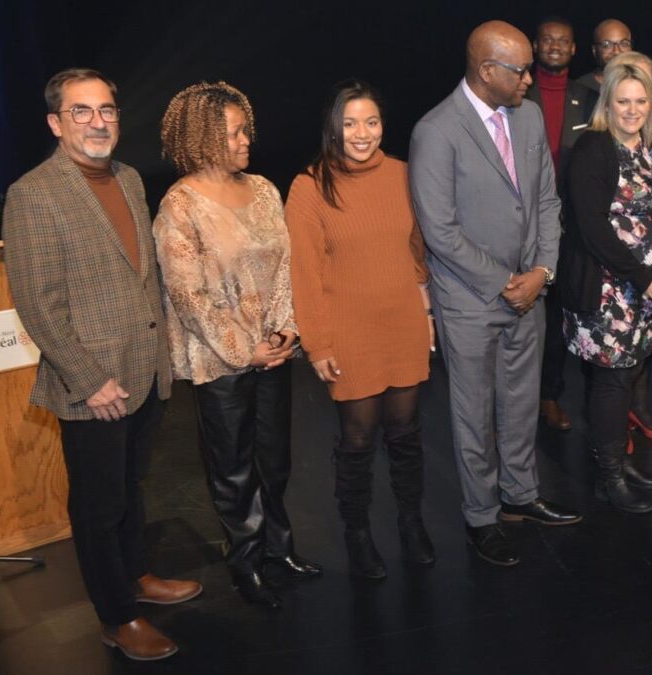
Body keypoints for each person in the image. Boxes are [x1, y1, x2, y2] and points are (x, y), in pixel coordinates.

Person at [4, 68, 201, 662]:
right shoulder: (34, 194)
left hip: (143, 370)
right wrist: (90, 381)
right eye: (82, 111)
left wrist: (163, 355)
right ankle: (117, 618)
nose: (97, 122)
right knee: (98, 505)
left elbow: (142, 277)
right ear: (55, 123)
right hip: (93, 383)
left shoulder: (130, 178)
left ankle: (135, 575)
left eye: (106, 110)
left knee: (130, 489)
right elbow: (37, 304)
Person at [409, 20, 581, 567]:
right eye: (520, 70)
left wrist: (542, 271)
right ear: (486, 70)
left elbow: (547, 201)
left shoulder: (526, 116)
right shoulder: (436, 131)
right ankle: (481, 517)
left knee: (522, 402)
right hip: (471, 299)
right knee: (474, 414)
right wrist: (504, 283)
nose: (531, 78)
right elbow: (439, 231)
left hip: (530, 292)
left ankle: (519, 495)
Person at [155, 81, 319, 610]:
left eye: (245, 129)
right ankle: (246, 562)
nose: (247, 139)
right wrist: (244, 348)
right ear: (202, 138)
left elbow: (286, 267)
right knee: (234, 468)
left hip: (273, 351)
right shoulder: (180, 205)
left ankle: (280, 550)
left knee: (275, 458)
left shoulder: (265, 190)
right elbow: (187, 294)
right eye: (234, 133)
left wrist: (285, 330)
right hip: (221, 358)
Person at [286, 80, 437, 578]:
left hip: (403, 321)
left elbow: (416, 250)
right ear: (334, 127)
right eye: (350, 123)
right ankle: (357, 532)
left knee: (406, 432)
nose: (362, 133)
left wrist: (425, 309)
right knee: (357, 439)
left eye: (371, 122)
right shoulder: (309, 186)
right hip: (349, 330)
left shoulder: (403, 174)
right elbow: (305, 273)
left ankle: (411, 522)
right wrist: (317, 344)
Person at [559, 58, 652, 513]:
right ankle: (608, 477)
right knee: (612, 380)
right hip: (607, 289)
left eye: (640, 101)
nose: (632, 109)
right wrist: (642, 276)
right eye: (623, 101)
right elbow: (592, 229)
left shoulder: (650, 147)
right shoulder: (593, 148)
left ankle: (617, 463)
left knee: (628, 376)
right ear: (607, 103)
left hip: (643, 289)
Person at [525, 16, 593, 432]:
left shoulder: (588, 97)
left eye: (562, 41)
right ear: (535, 46)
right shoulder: (517, 92)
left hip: (572, 223)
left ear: (573, 49)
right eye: (547, 40)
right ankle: (512, 402)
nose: (554, 46)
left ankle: (549, 395)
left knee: (556, 317)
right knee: (520, 317)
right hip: (523, 222)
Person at [576, 19, 652, 128]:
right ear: (594, 50)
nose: (616, 51)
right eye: (607, 44)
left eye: (624, 43)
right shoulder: (579, 89)